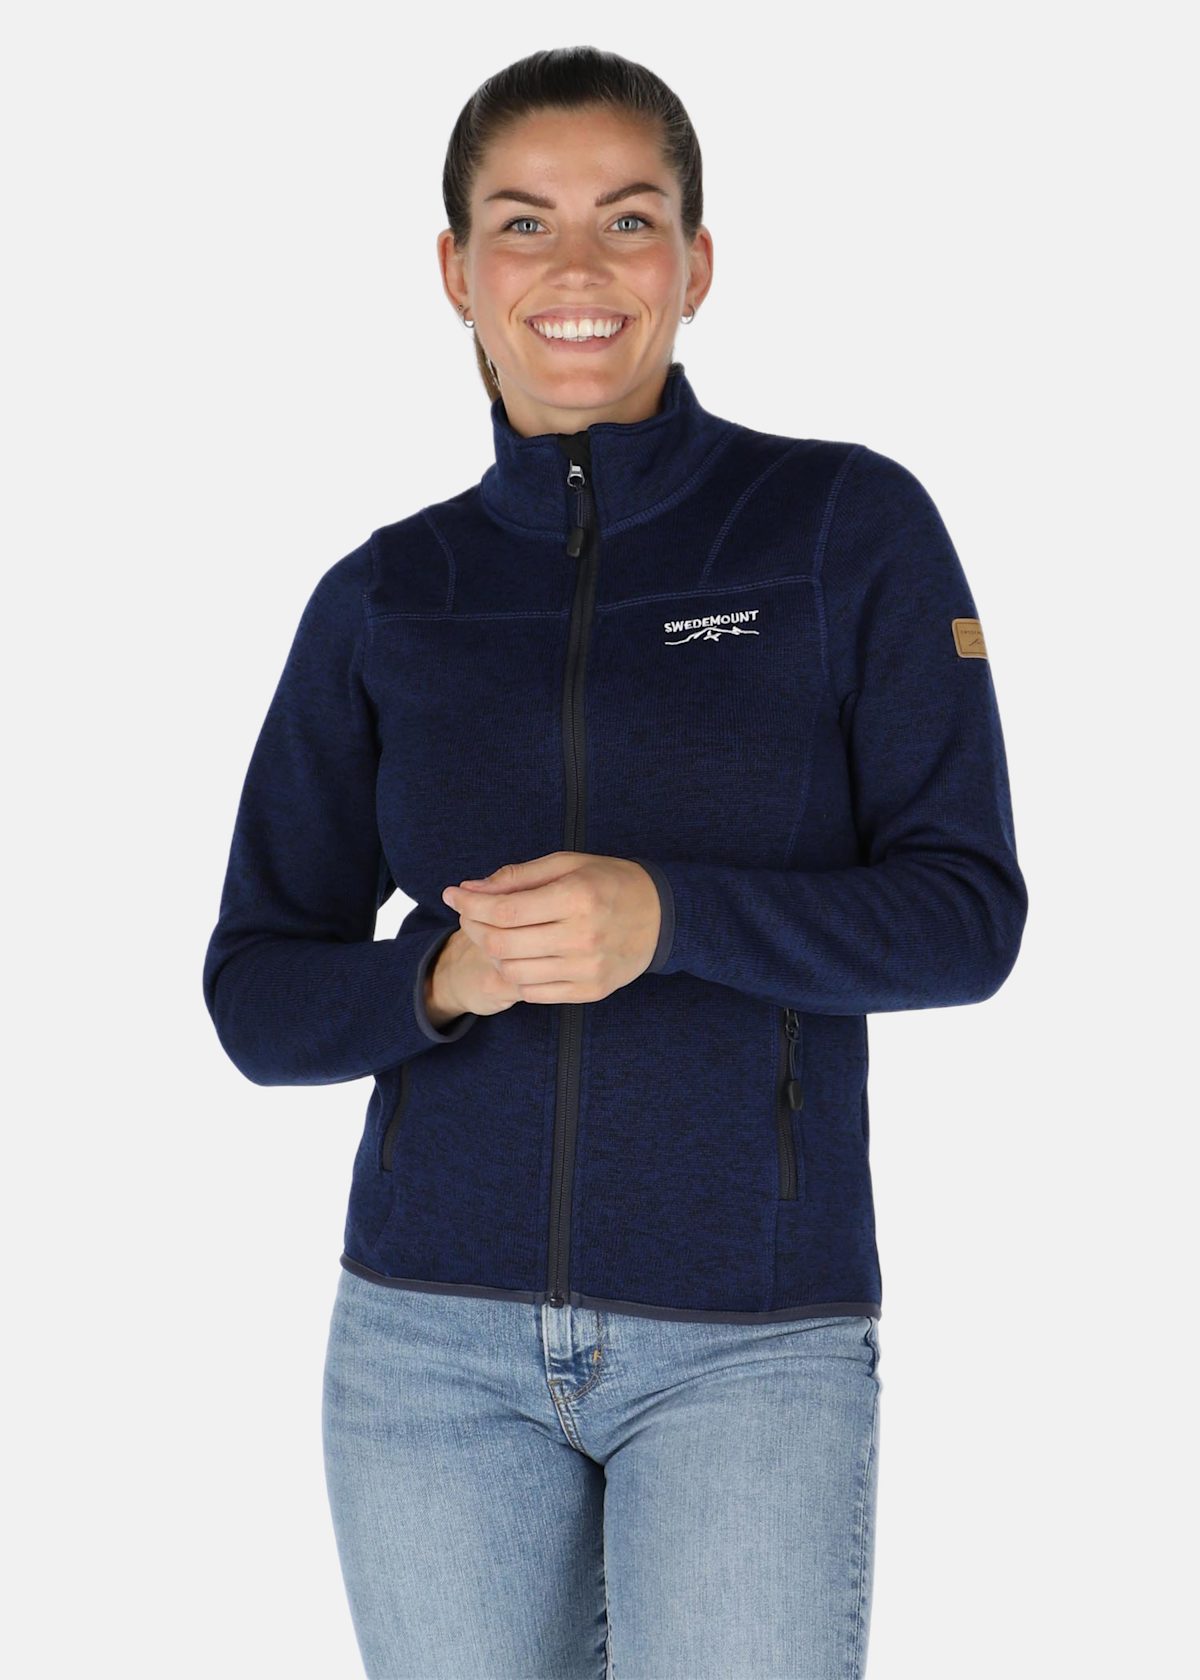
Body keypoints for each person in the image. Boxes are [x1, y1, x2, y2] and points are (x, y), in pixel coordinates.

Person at [202, 45, 1028, 1680]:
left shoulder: (840, 531)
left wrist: (671, 914)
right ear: (456, 270)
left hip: (751, 1345)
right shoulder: (388, 596)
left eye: (629, 220)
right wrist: (439, 979)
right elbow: (254, 993)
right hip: (426, 1350)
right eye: (523, 222)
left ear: (695, 264)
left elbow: (967, 916)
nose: (576, 268)